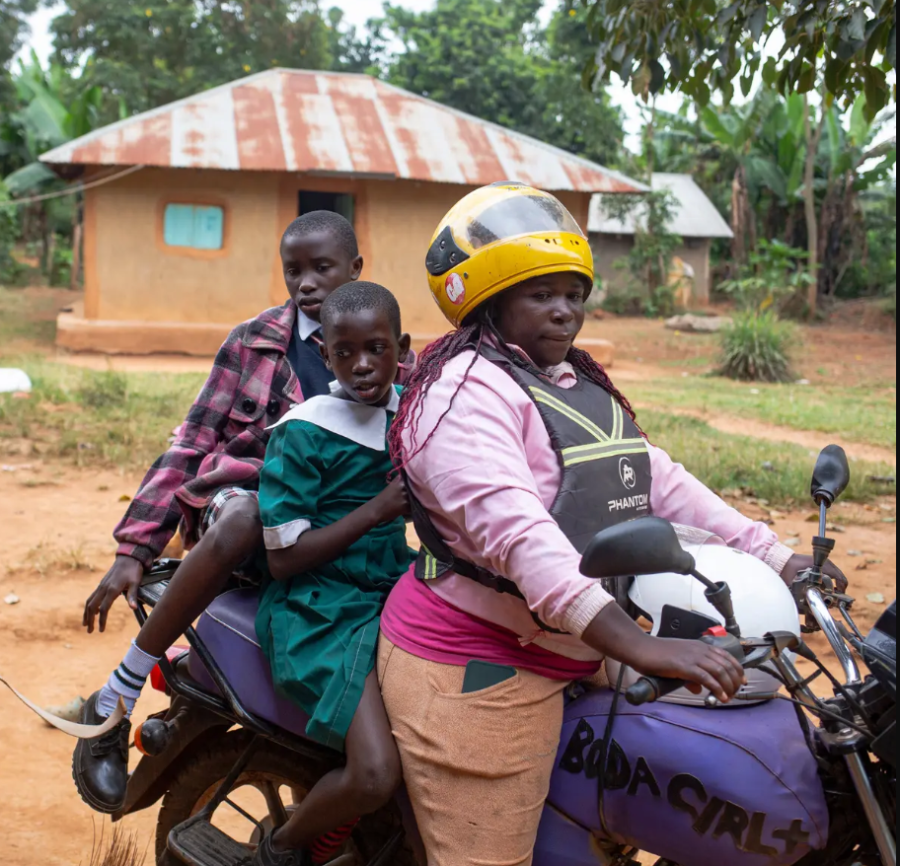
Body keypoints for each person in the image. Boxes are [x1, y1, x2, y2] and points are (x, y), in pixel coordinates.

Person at [376, 182, 848, 866]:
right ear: (486, 300)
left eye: (573, 293)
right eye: (541, 294)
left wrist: (778, 558)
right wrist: (640, 646)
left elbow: (658, 479)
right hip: (482, 660)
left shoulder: (571, 383)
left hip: (585, 641)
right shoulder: (459, 398)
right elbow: (519, 537)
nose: (565, 311)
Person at [74, 211, 379, 814]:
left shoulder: (383, 349)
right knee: (247, 512)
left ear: (355, 269)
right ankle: (117, 693)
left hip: (329, 538)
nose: (307, 283)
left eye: (322, 268)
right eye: (295, 270)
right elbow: (191, 442)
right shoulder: (255, 340)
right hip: (236, 522)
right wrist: (135, 548)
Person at [253, 281, 414, 866]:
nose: (362, 365)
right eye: (344, 353)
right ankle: (279, 851)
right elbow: (284, 558)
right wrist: (376, 510)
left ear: (403, 347)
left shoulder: (414, 415)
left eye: (377, 348)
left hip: (395, 592)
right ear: (325, 357)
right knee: (374, 773)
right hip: (317, 611)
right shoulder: (305, 430)